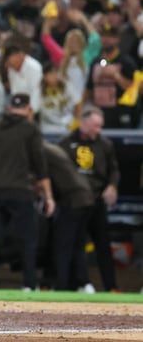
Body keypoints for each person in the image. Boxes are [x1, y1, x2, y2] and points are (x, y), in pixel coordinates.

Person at [0, 93, 55, 291]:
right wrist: (48, 196)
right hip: (21, 191)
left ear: (9, 108)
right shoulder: (30, 128)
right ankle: (29, 283)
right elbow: (40, 164)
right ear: (27, 108)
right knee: (28, 238)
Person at [57, 106, 120, 292]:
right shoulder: (65, 143)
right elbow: (58, 172)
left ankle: (111, 287)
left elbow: (114, 170)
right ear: (83, 123)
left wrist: (112, 186)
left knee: (103, 245)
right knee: (73, 244)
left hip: (97, 200)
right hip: (74, 202)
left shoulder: (105, 145)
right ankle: (75, 284)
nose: (98, 130)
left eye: (100, 127)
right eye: (95, 126)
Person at [41, 142, 95, 292]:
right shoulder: (54, 149)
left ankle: (61, 285)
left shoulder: (41, 150)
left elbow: (42, 177)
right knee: (77, 245)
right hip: (86, 198)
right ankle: (83, 283)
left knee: (62, 245)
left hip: (73, 200)